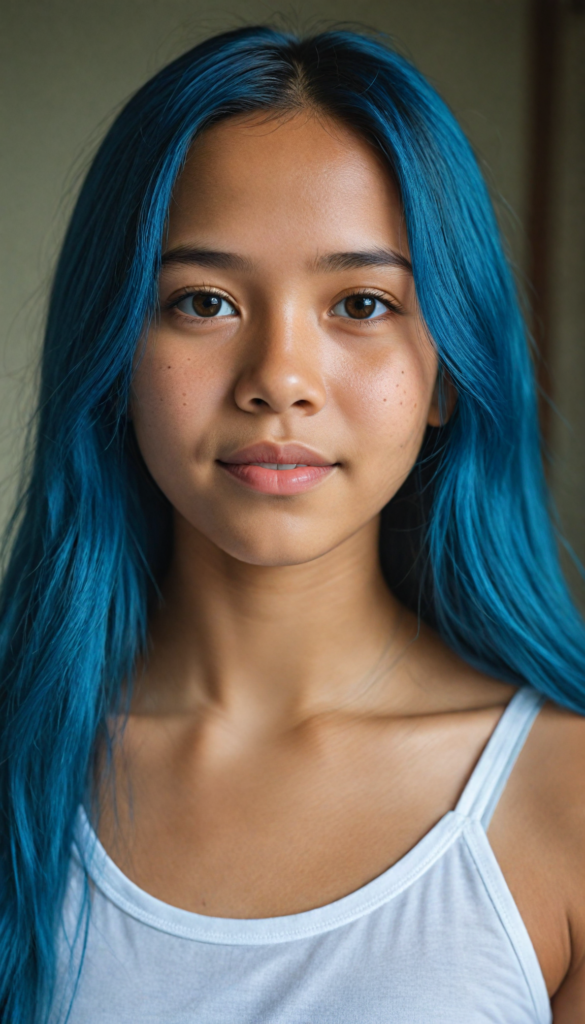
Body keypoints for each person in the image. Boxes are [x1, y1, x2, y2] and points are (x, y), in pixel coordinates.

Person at [1, 25, 585, 1024]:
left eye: (360, 302)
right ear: (115, 356)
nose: (279, 377)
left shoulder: (565, 797)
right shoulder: (22, 752)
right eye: (205, 301)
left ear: (446, 371)